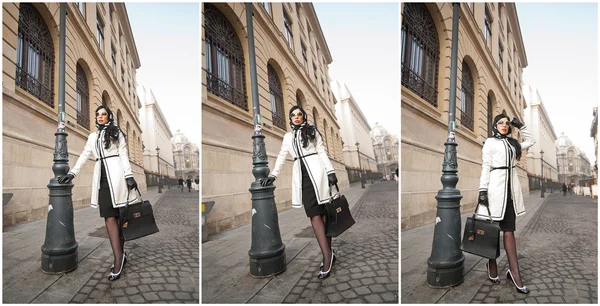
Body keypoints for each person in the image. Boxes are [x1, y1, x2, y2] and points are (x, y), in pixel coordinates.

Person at [58, 106, 138, 281]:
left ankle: (120, 257)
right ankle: (118, 258)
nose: (100, 117)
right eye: (98, 115)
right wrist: (72, 173)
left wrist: (129, 175)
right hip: (102, 179)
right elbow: (85, 154)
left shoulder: (116, 132)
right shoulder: (93, 136)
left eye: (103, 114)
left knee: (119, 217)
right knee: (109, 217)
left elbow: (123, 154)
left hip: (117, 177)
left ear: (109, 116)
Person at [260, 106, 338, 279]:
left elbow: (322, 151)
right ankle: (329, 254)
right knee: (314, 215)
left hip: (318, 174)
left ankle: (327, 256)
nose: (296, 117)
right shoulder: (287, 137)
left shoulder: (312, 131)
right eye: (293, 115)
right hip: (302, 177)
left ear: (303, 117)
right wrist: (273, 175)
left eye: (299, 114)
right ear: (290, 118)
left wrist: (331, 171)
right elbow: (282, 156)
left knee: (324, 214)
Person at [477, 114, 535, 294]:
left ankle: (514, 272)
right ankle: (491, 262)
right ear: (494, 125)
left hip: (510, 192)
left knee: (509, 231)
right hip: (494, 191)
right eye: (500, 123)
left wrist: (521, 126)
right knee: (492, 231)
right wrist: (482, 191)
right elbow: (486, 166)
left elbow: (531, 141)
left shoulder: (513, 144)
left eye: (507, 123)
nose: (504, 125)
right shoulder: (490, 142)